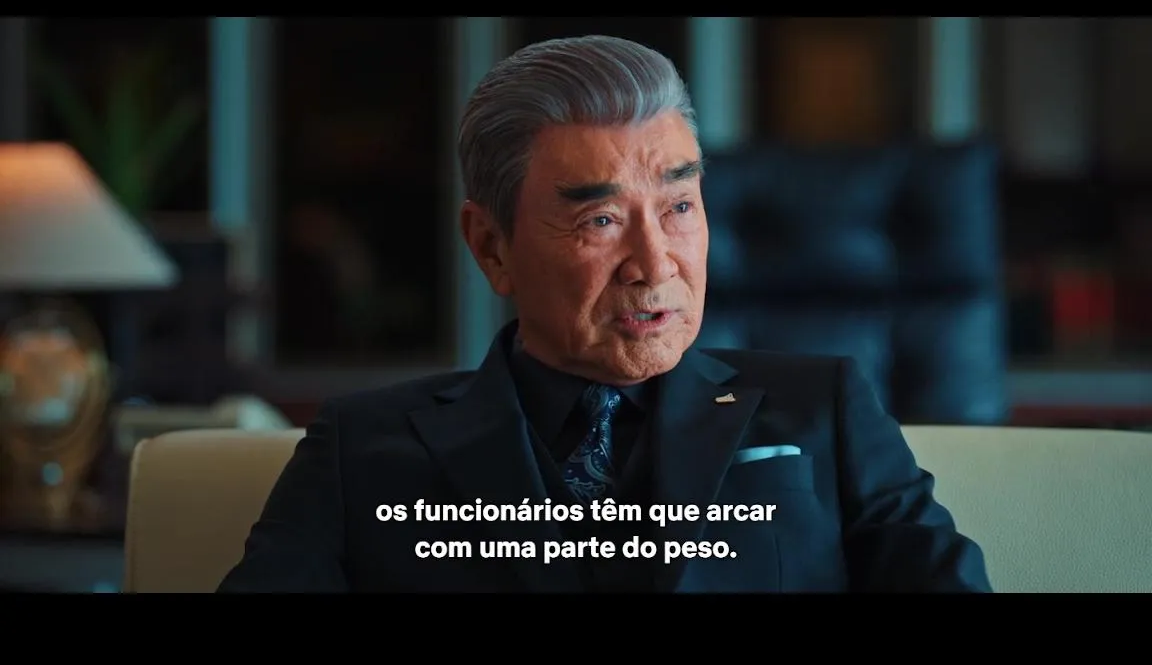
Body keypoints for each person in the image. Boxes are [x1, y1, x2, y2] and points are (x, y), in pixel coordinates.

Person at [217, 34, 993, 593]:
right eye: (601, 220)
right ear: (491, 246)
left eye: (679, 207)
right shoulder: (361, 449)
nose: (656, 265)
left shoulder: (826, 410)